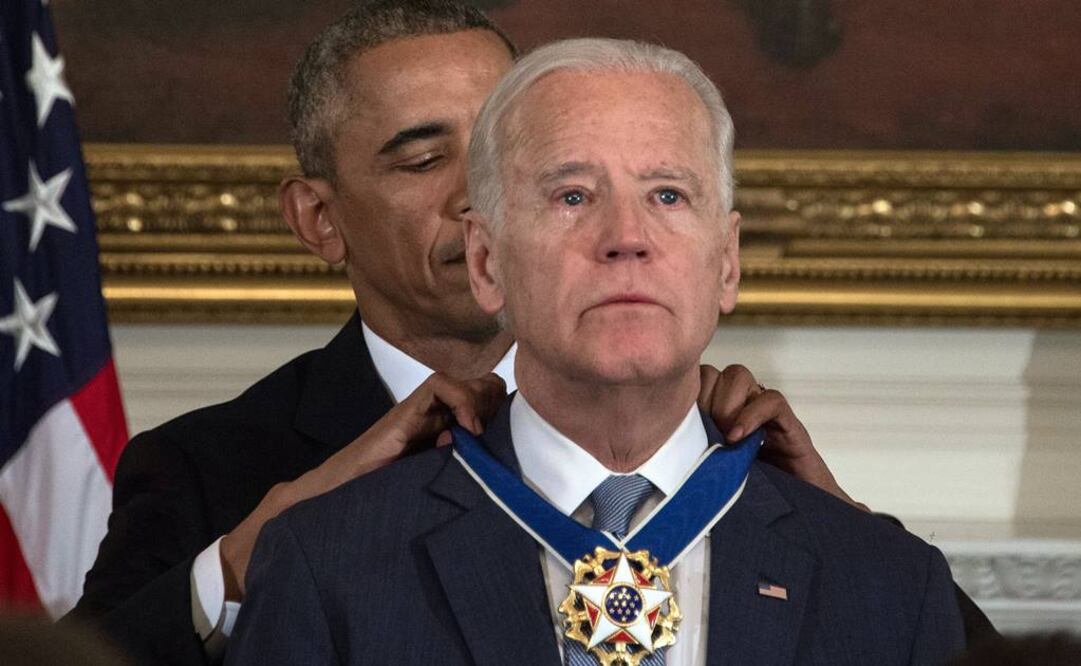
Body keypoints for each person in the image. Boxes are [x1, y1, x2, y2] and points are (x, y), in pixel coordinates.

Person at [67, 3, 843, 665]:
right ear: (319, 218)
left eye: (508, 152)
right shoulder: (211, 467)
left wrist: (841, 523)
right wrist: (244, 562)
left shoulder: (715, 442)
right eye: (425, 159)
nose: (478, 190)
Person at [225, 37, 968, 665]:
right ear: (486, 262)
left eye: (668, 195)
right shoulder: (328, 565)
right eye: (572, 195)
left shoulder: (887, 584)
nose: (625, 237)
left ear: (727, 261)